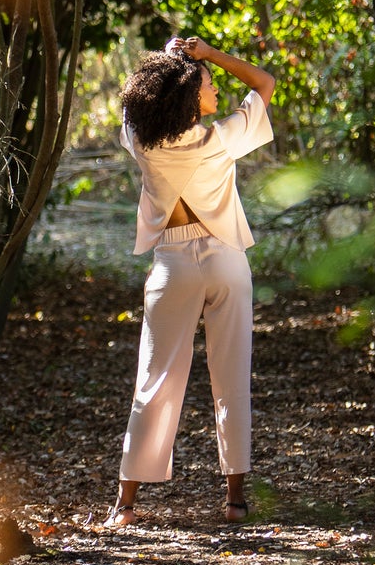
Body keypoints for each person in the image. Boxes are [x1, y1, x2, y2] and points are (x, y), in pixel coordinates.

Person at [108, 33, 275, 527]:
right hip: (226, 260)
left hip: (173, 265)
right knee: (232, 376)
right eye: (207, 84)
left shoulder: (144, 143)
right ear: (189, 97)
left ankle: (125, 505)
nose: (215, 89)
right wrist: (207, 54)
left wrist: (170, 60)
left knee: (154, 380)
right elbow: (264, 83)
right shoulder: (220, 138)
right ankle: (235, 501)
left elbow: (131, 108)